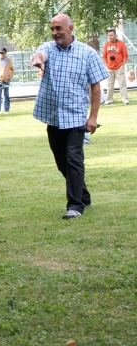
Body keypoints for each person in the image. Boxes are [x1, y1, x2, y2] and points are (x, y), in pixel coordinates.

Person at [29, 14, 108, 220]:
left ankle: (75, 205)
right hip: (54, 117)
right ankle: (83, 194)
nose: (55, 32)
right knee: (61, 161)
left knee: (74, 159)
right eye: (52, 29)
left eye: (59, 28)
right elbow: (40, 55)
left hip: (75, 117)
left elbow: (96, 87)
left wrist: (93, 117)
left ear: (70, 28)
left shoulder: (87, 54)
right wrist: (37, 61)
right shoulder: (48, 47)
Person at [102, 28, 129, 105]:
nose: (109, 37)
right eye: (108, 35)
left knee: (122, 84)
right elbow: (104, 56)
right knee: (109, 85)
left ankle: (125, 99)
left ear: (115, 35)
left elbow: (125, 55)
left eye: (111, 35)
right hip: (109, 68)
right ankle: (109, 100)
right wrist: (106, 64)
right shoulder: (107, 44)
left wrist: (122, 64)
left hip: (119, 67)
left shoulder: (121, 44)